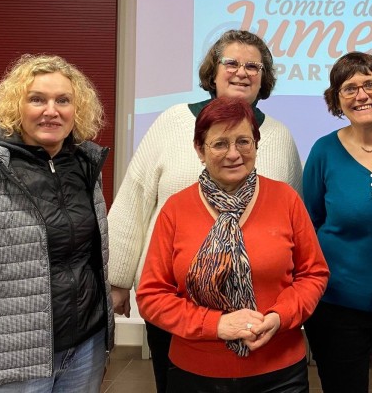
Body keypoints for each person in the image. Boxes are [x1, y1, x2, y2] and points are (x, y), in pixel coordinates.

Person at [107, 30, 302, 391]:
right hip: (176, 301)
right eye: (231, 63)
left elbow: (295, 223)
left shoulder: (280, 136)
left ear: (264, 78)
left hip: (260, 309)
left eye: (253, 66)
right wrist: (117, 280)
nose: (242, 72)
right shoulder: (173, 122)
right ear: (213, 71)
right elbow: (135, 198)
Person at [0, 54, 113, 393]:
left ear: (78, 109)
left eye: (63, 100)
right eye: (37, 99)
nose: (51, 111)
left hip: (85, 350)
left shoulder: (86, 166)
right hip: (13, 365)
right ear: (16, 106)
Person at [135, 97, 328, 392]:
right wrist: (216, 325)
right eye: (220, 144)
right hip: (195, 373)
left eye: (243, 142)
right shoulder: (176, 209)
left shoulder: (286, 199)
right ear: (200, 150)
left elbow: (313, 274)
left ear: (256, 145)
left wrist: (280, 316)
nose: (234, 154)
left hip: (280, 371)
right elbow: (152, 296)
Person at [302, 52, 372, 393]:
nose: (361, 95)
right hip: (336, 305)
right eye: (349, 88)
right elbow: (311, 223)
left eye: (370, 84)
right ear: (336, 99)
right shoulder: (323, 151)